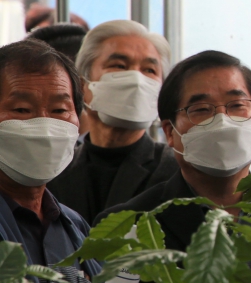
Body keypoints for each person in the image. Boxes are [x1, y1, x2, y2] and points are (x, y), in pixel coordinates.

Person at [0, 39, 147, 283]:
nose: (43, 126)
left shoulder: (74, 226)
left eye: (59, 110)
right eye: (21, 109)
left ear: (78, 120)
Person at [96, 50, 251, 253]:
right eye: (201, 109)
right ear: (170, 132)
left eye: (237, 105)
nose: (222, 120)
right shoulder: (126, 224)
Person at [48, 20, 177, 223]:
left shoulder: (176, 170)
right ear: (82, 85)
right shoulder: (53, 170)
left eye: (149, 70)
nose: (136, 79)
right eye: (119, 66)